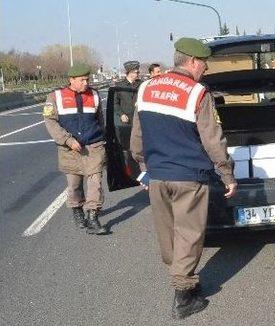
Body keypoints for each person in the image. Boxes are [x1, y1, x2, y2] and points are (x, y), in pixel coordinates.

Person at [130, 37, 237, 320]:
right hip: (189, 176)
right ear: (192, 62)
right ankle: (183, 296)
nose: (205, 70)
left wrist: (144, 169)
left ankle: (180, 276)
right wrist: (226, 174)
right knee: (189, 233)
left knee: (168, 232)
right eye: (204, 64)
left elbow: (136, 138)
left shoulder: (146, 87)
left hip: (157, 177)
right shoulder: (197, 93)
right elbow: (213, 139)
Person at [43, 63, 108, 235]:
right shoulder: (55, 96)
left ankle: (93, 216)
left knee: (96, 182)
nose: (86, 83)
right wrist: (67, 140)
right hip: (69, 150)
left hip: (94, 146)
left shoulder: (94, 94)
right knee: (74, 185)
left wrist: (103, 138)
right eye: (82, 80)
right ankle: (77, 209)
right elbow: (50, 122)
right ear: (71, 80)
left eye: (87, 79)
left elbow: (100, 119)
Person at [114, 60, 142, 125]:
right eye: (135, 72)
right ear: (129, 73)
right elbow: (115, 103)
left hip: (139, 118)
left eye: (138, 72)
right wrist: (121, 114)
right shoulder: (119, 86)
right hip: (126, 119)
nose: (137, 74)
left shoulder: (141, 84)